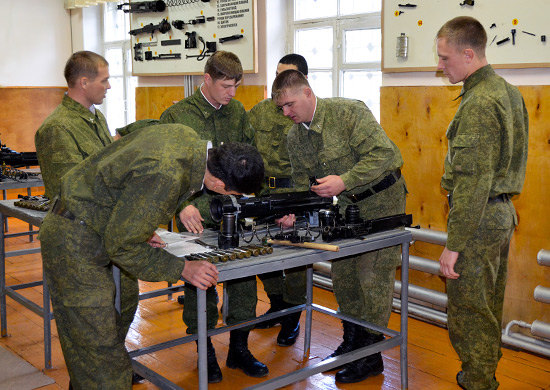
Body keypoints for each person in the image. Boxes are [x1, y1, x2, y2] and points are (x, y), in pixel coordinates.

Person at [38, 123, 264, 389]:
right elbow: (122, 246)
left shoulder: (185, 137)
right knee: (102, 359)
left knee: (101, 342)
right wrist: (183, 269)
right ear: (218, 183)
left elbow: (126, 185)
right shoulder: (166, 174)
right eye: (232, 193)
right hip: (73, 241)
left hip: (91, 225)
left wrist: (140, 228)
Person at [272, 69, 407, 384]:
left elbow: (386, 155)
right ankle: (352, 342)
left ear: (307, 92)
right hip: (346, 208)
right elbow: (307, 185)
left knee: (372, 278)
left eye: (290, 104)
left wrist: (344, 180)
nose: (286, 112)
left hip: (382, 200)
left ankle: (370, 357)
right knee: (344, 276)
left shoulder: (348, 112)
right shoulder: (295, 137)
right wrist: (294, 210)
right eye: (281, 108)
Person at [34, 51, 156, 385]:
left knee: (124, 301)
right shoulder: (58, 129)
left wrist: (135, 227)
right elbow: (74, 195)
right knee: (90, 324)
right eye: (104, 79)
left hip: (106, 234)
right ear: (84, 82)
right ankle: (97, 375)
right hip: (76, 241)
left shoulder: (95, 119)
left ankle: (103, 369)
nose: (109, 86)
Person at [159, 51, 267, 382]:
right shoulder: (177, 116)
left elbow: (252, 156)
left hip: (234, 211)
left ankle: (239, 347)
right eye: (226, 86)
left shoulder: (237, 113)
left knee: (245, 280)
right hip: (196, 213)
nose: (232, 94)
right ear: (207, 79)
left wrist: (256, 200)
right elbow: (164, 169)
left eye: (236, 86)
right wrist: (180, 205)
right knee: (200, 284)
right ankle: (203, 349)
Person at [436, 16, 528, 390]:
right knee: (487, 304)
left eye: (445, 58)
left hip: (478, 217)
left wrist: (453, 246)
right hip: (500, 212)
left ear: (469, 53)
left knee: (469, 310)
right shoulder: (507, 91)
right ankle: (483, 373)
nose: (440, 66)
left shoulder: (479, 103)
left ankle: (478, 381)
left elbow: (473, 183)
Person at [248, 54, 309, 347]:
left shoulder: (304, 114)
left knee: (296, 261)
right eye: (276, 76)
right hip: (263, 194)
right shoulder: (258, 112)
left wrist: (301, 204)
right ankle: (277, 302)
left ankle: (292, 316)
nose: (278, 84)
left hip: (294, 195)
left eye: (286, 77)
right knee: (261, 252)